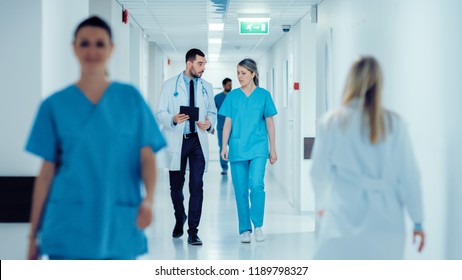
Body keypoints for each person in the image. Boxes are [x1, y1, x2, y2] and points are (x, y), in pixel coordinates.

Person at [25, 16, 166, 260]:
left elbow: (147, 157)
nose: (92, 50)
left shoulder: (130, 99)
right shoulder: (54, 105)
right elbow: (46, 173)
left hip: (118, 220)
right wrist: (32, 236)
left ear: (111, 48)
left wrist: (149, 200)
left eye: (100, 44)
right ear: (74, 48)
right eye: (85, 43)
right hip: (69, 223)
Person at [310, 56, 425, 259]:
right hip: (386, 221)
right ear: (379, 84)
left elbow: (318, 173)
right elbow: (410, 177)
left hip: (342, 215)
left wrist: (321, 205)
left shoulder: (332, 122)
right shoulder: (394, 124)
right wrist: (418, 221)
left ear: (350, 83)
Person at [157, 48, 216, 246]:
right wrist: (172, 119)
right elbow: (160, 113)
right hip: (177, 139)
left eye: (204, 64)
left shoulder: (207, 86)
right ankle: (179, 217)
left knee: (197, 186)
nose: (203, 68)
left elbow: (212, 112)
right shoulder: (169, 85)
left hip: (197, 141)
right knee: (176, 188)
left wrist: (209, 124)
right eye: (200, 64)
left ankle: (193, 231)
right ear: (189, 63)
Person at [220, 58, 277, 243]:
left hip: (259, 148)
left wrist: (273, 149)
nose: (239, 77)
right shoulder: (233, 96)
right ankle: (245, 229)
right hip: (237, 148)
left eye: (243, 73)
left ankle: (258, 225)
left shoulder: (264, 95)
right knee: (241, 190)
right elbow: (227, 123)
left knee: (257, 185)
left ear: (253, 74)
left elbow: (270, 123)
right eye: (237, 73)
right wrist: (223, 146)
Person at [214, 78, 232, 175]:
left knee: (233, 147)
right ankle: (224, 167)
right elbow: (212, 112)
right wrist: (211, 126)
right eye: (229, 85)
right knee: (222, 147)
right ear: (224, 85)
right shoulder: (217, 97)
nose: (230, 86)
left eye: (231, 84)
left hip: (233, 127)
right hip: (221, 127)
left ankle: (235, 166)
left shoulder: (234, 96)